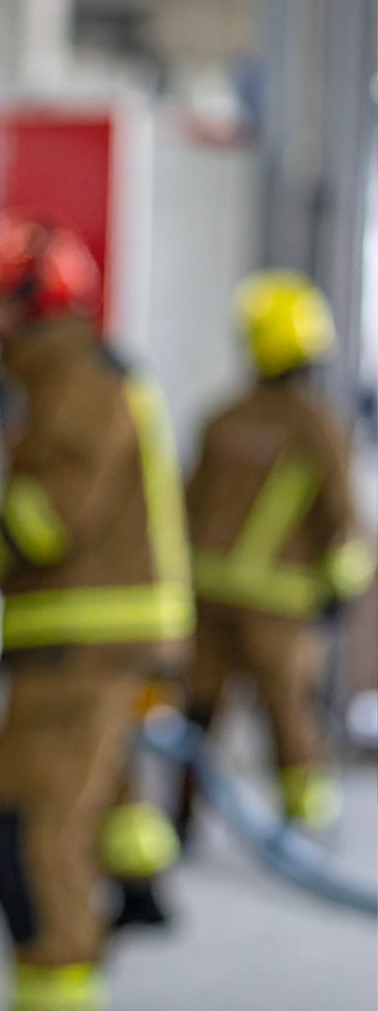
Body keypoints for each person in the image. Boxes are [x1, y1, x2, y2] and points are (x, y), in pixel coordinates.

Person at [0, 214, 192, 1011]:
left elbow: (51, 517)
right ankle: (139, 881)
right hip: (91, 642)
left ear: (34, 299)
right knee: (83, 810)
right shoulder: (71, 371)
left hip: (82, 643)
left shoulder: (73, 376)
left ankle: (58, 987)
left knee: (28, 833)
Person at [182, 270, 375, 834]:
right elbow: (343, 519)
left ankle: (180, 818)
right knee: (291, 717)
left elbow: (186, 508)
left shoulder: (221, 419)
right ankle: (304, 827)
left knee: (197, 714)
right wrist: (342, 590)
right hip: (282, 608)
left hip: (208, 599)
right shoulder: (320, 425)